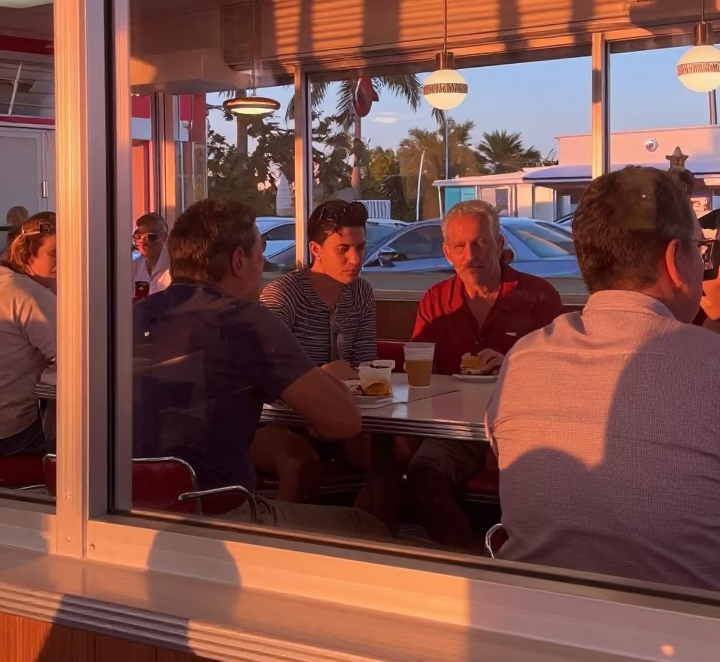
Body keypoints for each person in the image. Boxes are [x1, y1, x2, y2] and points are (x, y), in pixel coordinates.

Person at [486, 166, 720, 591]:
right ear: (674, 260)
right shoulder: (711, 364)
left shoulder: (525, 356)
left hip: (528, 617)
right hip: (686, 637)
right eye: (699, 249)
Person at [132, 197, 387, 538]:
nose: (264, 260)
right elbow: (345, 421)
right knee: (372, 531)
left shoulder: (128, 319)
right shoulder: (244, 320)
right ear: (239, 261)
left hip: (124, 516)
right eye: (259, 250)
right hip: (219, 519)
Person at [405, 200, 564, 547]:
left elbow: (562, 377)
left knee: (535, 479)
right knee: (420, 472)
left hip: (523, 428)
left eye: (480, 243)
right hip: (455, 432)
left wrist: (513, 363)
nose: (470, 255)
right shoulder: (435, 301)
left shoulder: (539, 296)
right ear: (448, 253)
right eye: (460, 246)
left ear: (500, 244)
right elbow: (419, 377)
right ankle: (467, 560)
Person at [254, 199, 377, 502]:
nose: (355, 259)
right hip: (274, 421)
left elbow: (367, 366)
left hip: (339, 415)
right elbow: (263, 378)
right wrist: (319, 381)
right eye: (343, 249)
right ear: (315, 249)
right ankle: (283, 544)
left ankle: (371, 537)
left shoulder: (361, 292)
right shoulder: (282, 294)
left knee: (385, 457)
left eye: (360, 247)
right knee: (300, 462)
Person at [0, 213, 57, 455]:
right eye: (54, 254)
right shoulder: (26, 292)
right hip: (10, 436)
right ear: (26, 254)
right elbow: (79, 360)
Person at [132, 213, 171, 295]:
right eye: (138, 236)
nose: (144, 242)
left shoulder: (174, 267)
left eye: (151, 237)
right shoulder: (133, 268)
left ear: (164, 237)